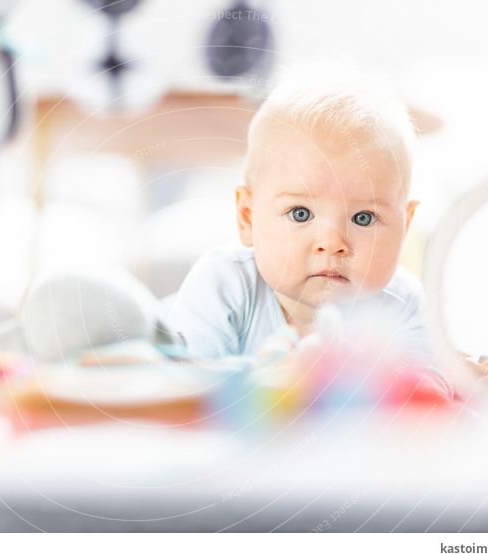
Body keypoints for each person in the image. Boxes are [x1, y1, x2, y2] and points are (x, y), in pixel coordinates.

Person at [160, 61, 449, 394]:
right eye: (300, 213)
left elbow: (428, 389)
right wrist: (274, 375)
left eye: (363, 218)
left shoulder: (402, 302)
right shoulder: (224, 283)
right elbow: (186, 385)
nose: (331, 243)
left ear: (404, 226)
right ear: (247, 218)